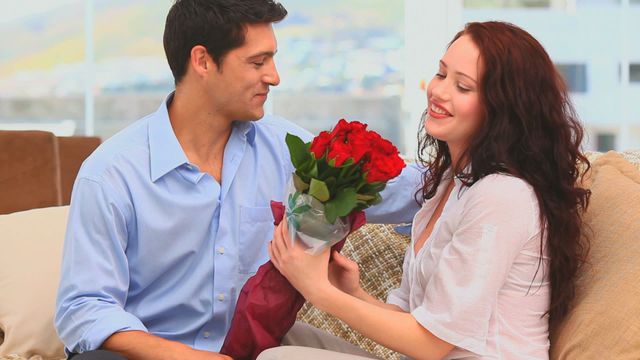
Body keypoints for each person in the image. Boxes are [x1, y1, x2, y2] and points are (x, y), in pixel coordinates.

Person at [54, 0, 421, 359]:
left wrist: (471, 167)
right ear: (202, 61)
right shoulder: (111, 174)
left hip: (254, 347)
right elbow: (85, 308)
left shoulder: (284, 149)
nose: (274, 77)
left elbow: (397, 190)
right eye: (257, 62)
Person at [266, 21, 591, 360]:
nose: (439, 92)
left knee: (277, 358)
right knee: (277, 335)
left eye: (463, 87)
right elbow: (418, 322)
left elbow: (431, 344)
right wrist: (353, 292)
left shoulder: (502, 196)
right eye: (441, 74)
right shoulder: (451, 183)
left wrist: (317, 289)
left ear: (503, 109)